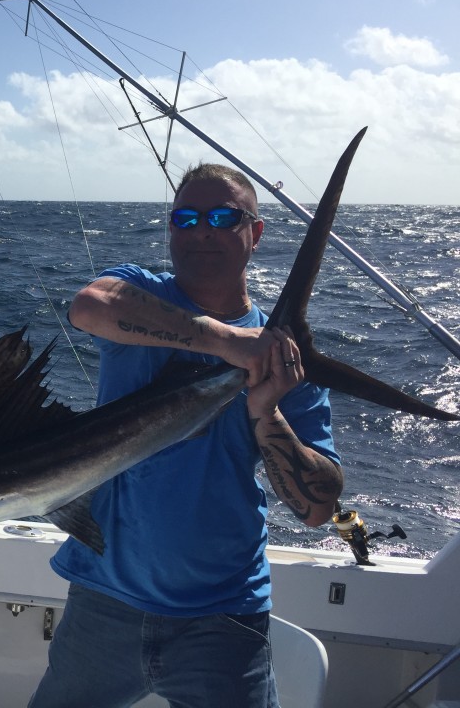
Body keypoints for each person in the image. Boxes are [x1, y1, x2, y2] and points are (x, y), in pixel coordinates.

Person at [28, 164, 344, 707]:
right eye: (186, 218)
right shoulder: (141, 292)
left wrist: (267, 412)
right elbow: (88, 307)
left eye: (223, 218)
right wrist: (227, 344)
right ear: (170, 229)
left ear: (256, 233)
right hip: (103, 603)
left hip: (223, 615)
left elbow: (316, 509)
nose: (202, 230)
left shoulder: (283, 362)